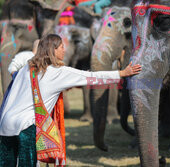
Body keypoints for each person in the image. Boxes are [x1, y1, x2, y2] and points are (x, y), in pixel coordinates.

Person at [0, 34, 141, 167]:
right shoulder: (59, 72)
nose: (64, 50)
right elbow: (91, 76)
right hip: (26, 126)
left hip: (6, 124)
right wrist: (121, 73)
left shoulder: (27, 68)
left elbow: (12, 95)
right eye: (61, 47)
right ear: (53, 50)